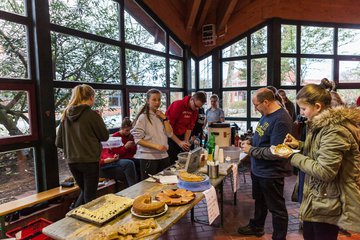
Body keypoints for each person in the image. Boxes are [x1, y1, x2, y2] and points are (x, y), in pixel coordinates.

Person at [282, 84, 360, 240]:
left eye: (303, 109)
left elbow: (325, 171)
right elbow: (319, 152)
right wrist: (299, 145)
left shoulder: (335, 130)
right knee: (310, 234)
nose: (302, 114)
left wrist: (291, 156)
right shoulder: (321, 125)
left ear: (317, 106)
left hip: (330, 199)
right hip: (319, 196)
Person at [238, 88, 293, 240]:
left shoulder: (281, 120)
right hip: (259, 169)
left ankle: (279, 237)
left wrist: (251, 150)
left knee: (277, 209)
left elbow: (276, 152)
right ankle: (257, 226)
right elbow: (261, 137)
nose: (256, 109)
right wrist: (251, 142)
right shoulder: (266, 115)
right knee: (260, 201)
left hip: (271, 172)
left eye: (256, 105)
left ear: (266, 102)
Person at [56, 84, 109, 208]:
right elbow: (104, 136)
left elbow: (58, 143)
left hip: (72, 162)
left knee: (85, 191)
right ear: (91, 97)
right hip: (90, 160)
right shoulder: (92, 115)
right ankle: (85, 224)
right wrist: (99, 119)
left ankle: (71, 216)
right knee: (90, 197)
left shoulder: (65, 116)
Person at [131, 89, 173, 180]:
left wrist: (165, 119)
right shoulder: (143, 117)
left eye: (159, 99)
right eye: (154, 100)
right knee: (149, 188)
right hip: (149, 158)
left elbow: (169, 134)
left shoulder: (161, 116)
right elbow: (138, 140)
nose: (157, 102)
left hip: (164, 156)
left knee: (167, 184)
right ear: (147, 100)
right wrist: (156, 146)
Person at [166, 91, 207, 164]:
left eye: (199, 107)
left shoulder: (195, 110)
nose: (197, 109)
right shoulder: (178, 105)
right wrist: (179, 142)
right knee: (172, 161)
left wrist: (185, 141)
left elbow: (189, 128)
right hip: (170, 136)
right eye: (196, 106)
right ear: (191, 99)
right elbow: (168, 128)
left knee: (184, 159)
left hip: (182, 135)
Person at [99, 117, 138, 187]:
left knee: (139, 162)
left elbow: (133, 152)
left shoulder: (130, 136)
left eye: (130, 130)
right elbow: (111, 155)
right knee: (130, 163)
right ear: (122, 128)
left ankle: (139, 185)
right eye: (127, 130)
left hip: (116, 158)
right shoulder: (115, 138)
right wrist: (125, 147)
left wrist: (133, 146)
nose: (129, 132)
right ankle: (133, 188)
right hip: (114, 159)